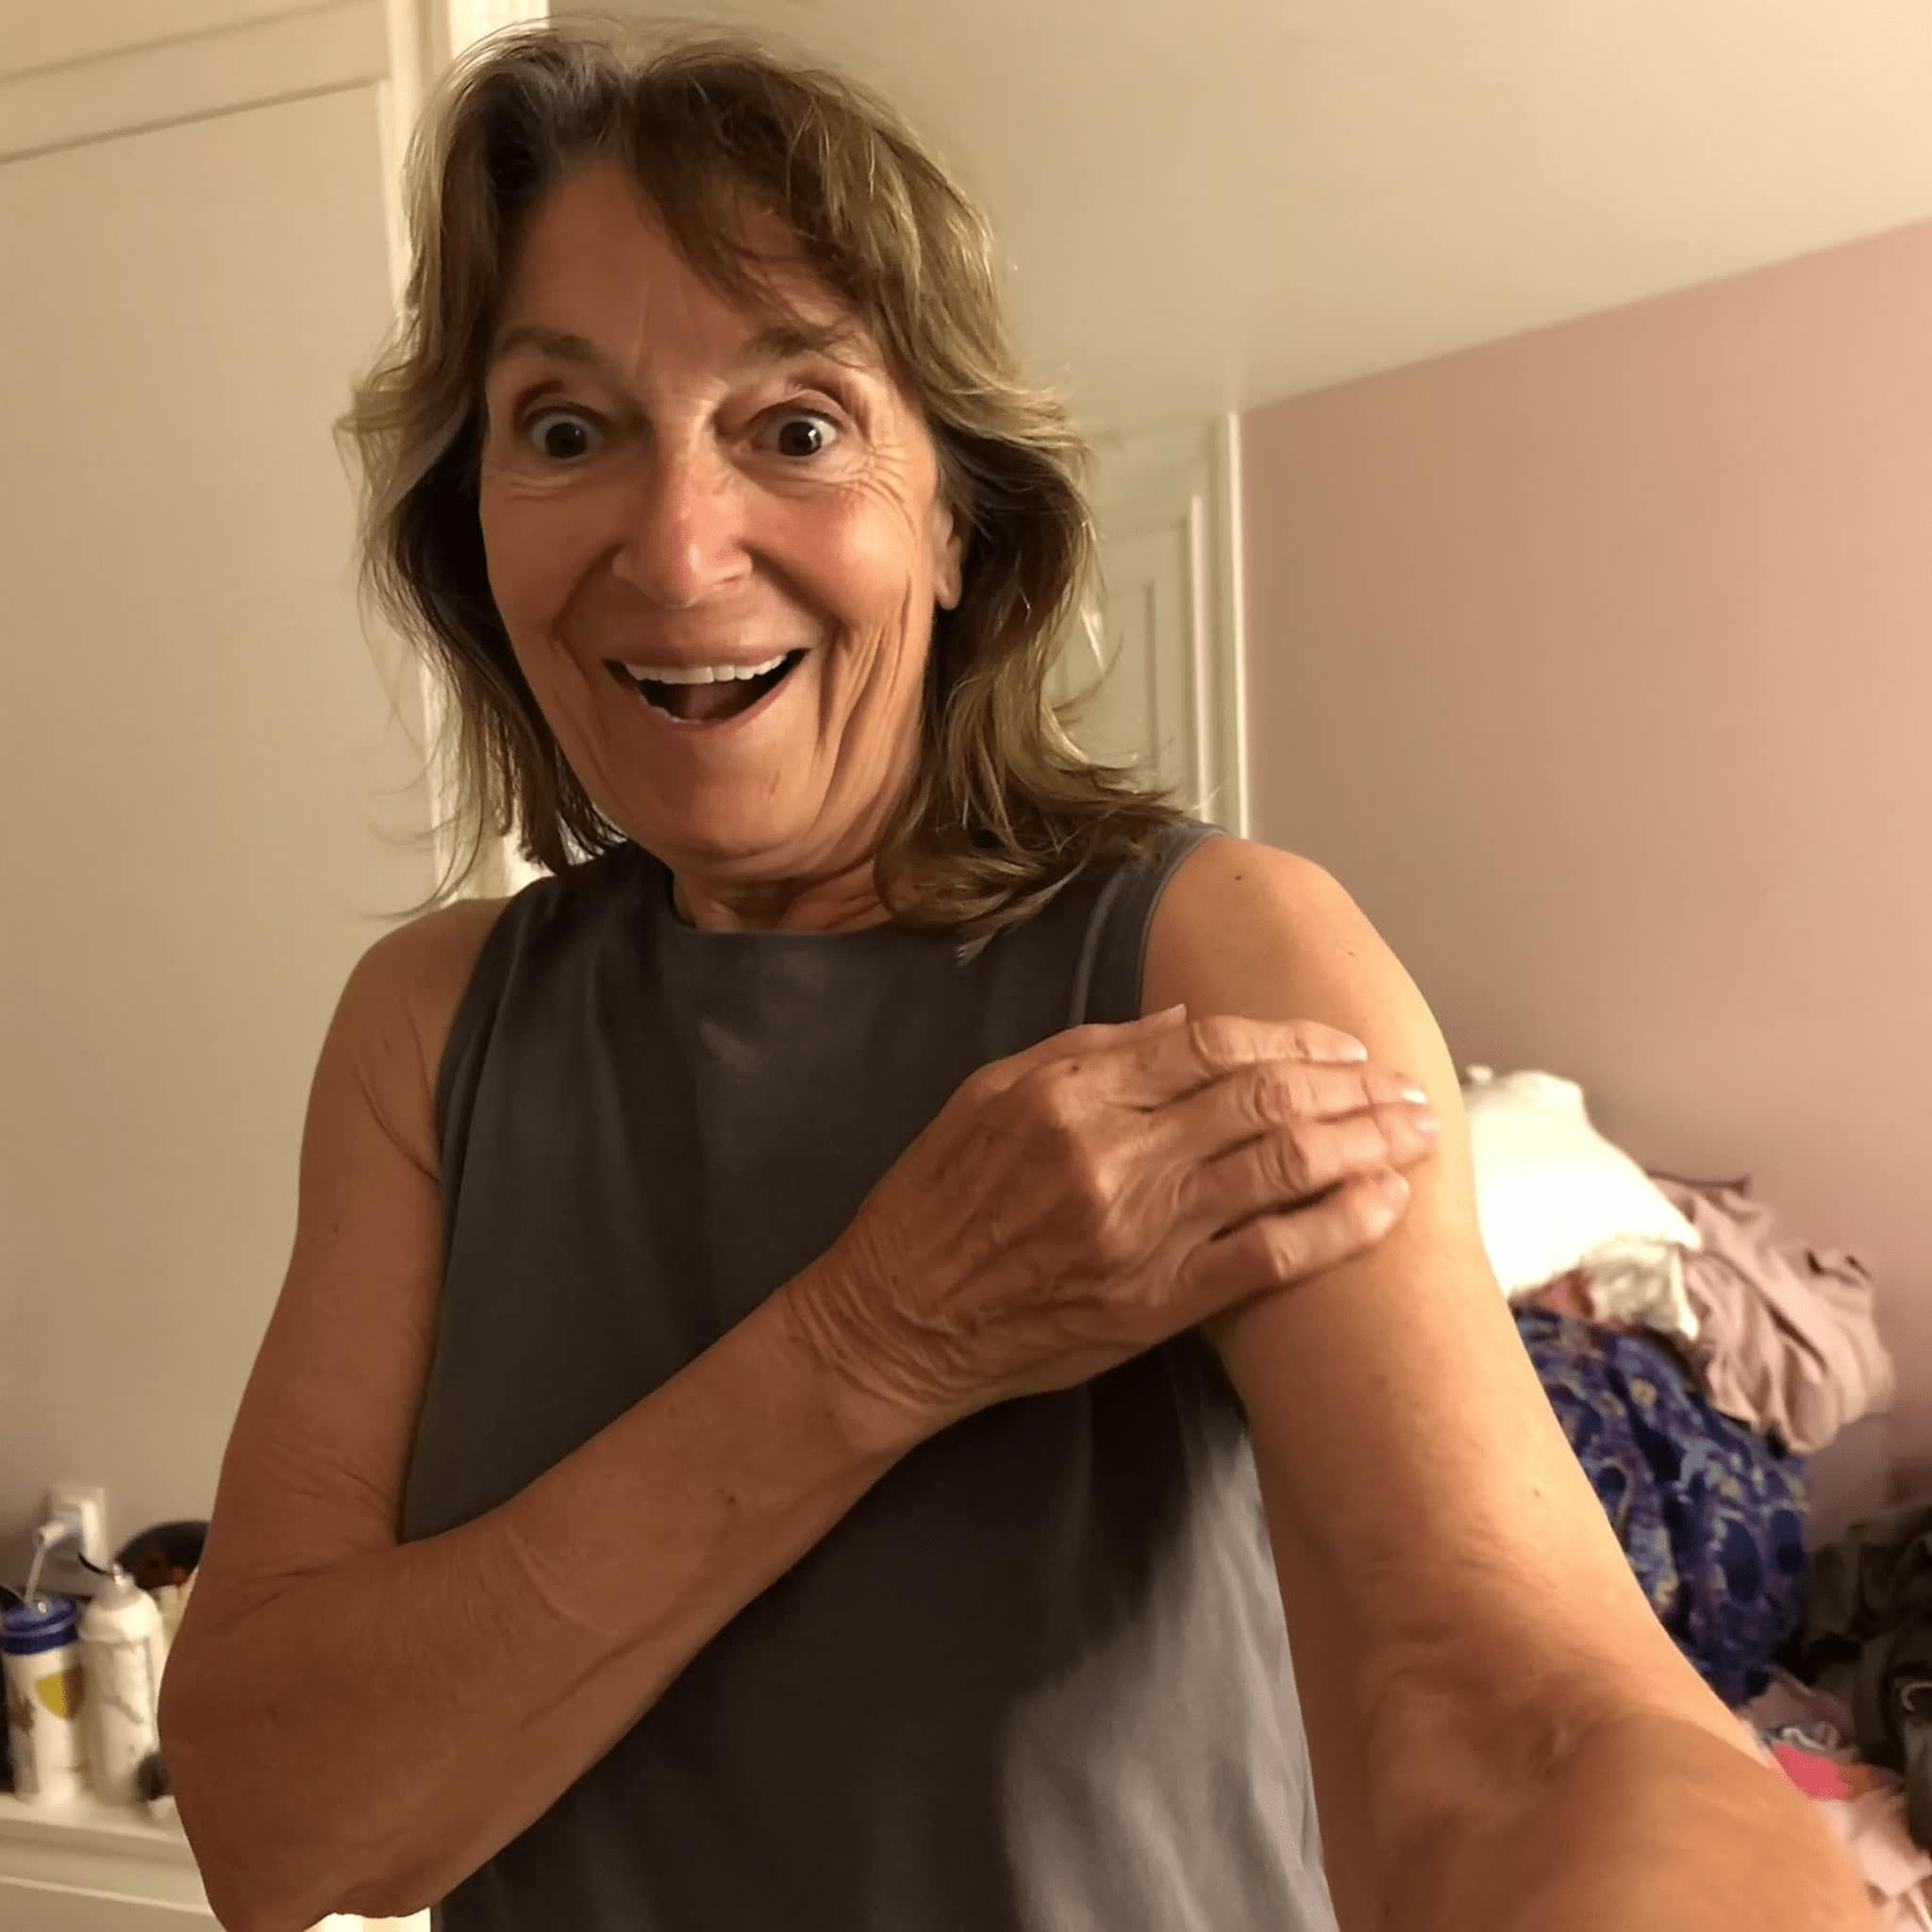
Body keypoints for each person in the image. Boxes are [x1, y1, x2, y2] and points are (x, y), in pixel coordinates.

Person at [158, 24, 1870, 1932]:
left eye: (796, 427)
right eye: (564, 431)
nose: (674, 544)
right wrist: (876, 1338)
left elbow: (1510, 1713)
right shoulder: (429, 1030)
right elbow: (275, 1827)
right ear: (474, 527)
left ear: (958, 520)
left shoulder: (1216, 954)